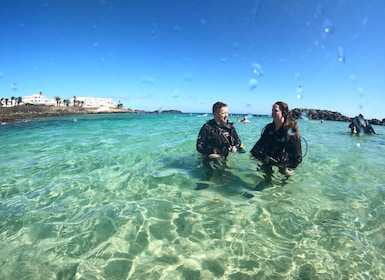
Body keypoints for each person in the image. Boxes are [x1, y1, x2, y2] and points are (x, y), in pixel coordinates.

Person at [250, 101, 302, 190]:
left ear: (284, 113)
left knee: (282, 185)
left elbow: (298, 155)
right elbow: (259, 144)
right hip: (268, 159)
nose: (272, 113)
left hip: (284, 163)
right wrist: (254, 155)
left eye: (276, 111)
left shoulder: (290, 131)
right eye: (272, 110)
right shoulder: (269, 128)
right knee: (264, 182)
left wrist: (291, 168)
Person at [197, 101, 244, 180]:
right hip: (210, 157)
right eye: (223, 113)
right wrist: (209, 153)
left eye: (227, 113)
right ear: (215, 114)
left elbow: (238, 141)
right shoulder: (207, 128)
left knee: (226, 176)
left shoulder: (230, 127)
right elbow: (199, 146)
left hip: (225, 156)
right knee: (207, 178)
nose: (226, 116)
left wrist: (235, 147)